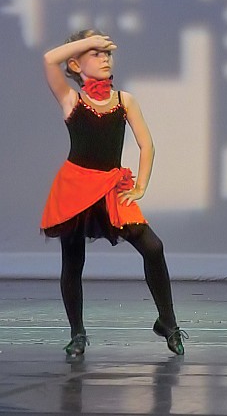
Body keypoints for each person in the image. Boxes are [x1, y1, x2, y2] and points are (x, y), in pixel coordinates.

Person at [41, 29, 187, 357]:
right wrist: (89, 42)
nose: (105, 57)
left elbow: (147, 144)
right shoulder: (72, 101)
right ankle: (77, 333)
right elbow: (50, 59)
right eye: (96, 53)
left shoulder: (124, 101)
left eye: (106, 52)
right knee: (73, 259)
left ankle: (167, 322)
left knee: (153, 247)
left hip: (110, 188)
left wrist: (141, 185)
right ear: (75, 65)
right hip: (76, 188)